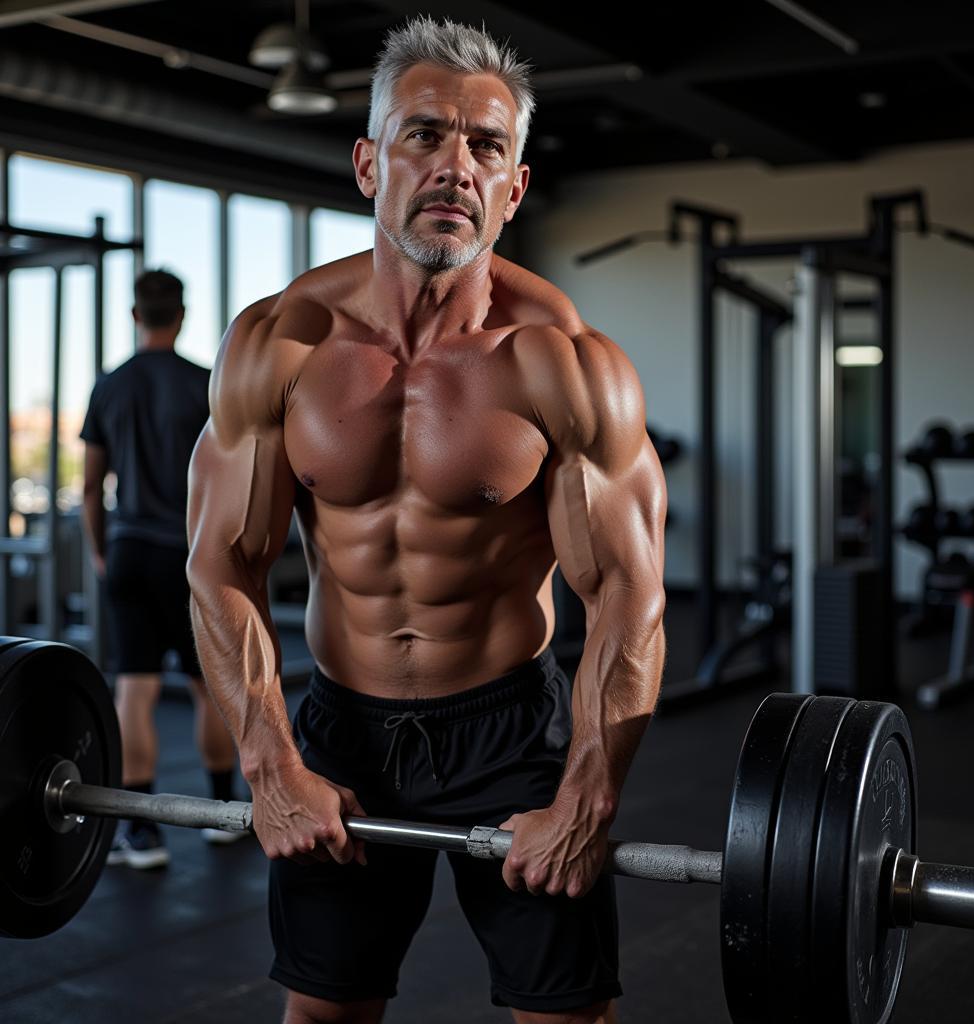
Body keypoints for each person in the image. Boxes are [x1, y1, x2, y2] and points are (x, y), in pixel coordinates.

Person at [186, 15, 666, 1024]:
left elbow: (628, 587)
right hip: (338, 726)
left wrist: (585, 794)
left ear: (514, 187)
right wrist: (273, 763)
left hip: (510, 731)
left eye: (487, 146)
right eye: (424, 135)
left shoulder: (563, 363)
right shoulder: (279, 344)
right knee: (323, 1010)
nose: (455, 165)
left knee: (564, 1015)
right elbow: (220, 564)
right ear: (369, 163)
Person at [80, 269, 241, 869]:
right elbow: (228, 480)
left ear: (133, 314)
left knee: (135, 689)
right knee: (208, 689)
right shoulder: (205, 384)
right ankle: (225, 814)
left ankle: (143, 835)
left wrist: (102, 552)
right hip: (188, 554)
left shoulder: (110, 386)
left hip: (128, 551)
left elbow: (93, 487)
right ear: (182, 314)